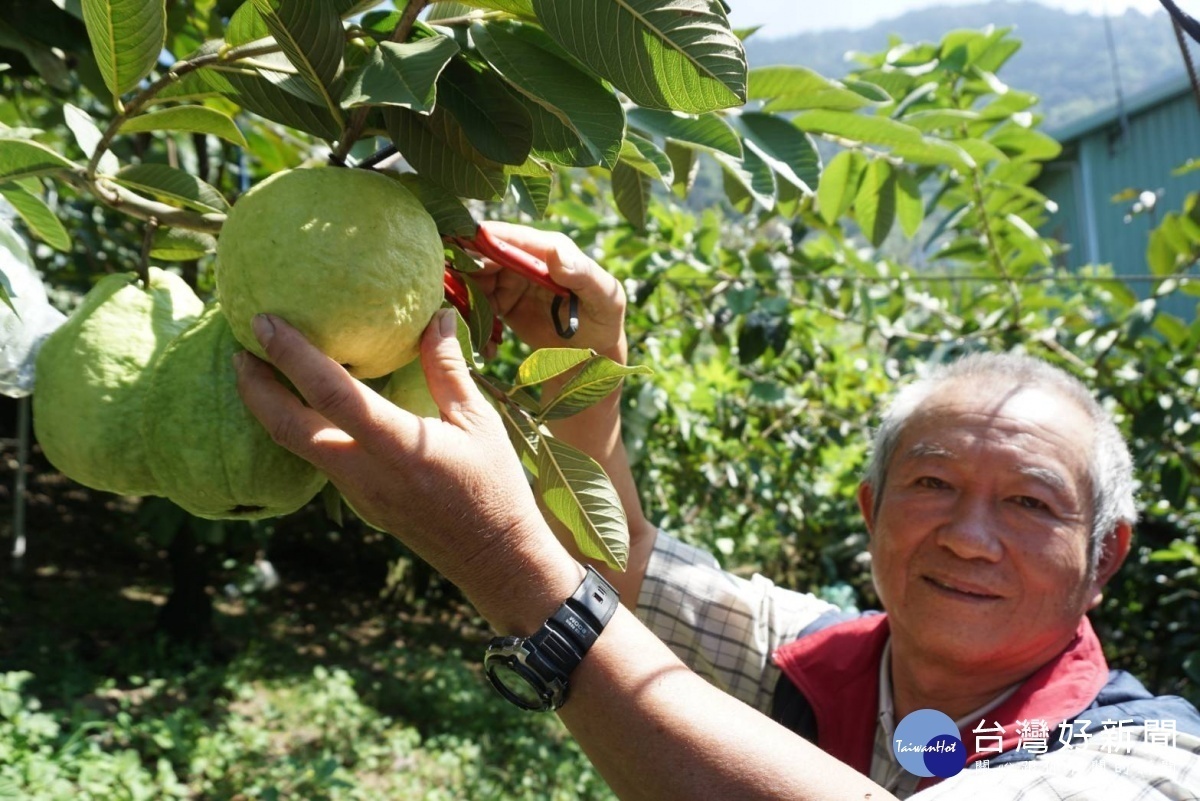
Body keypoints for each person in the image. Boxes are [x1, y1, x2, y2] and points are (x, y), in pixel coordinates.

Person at [235, 222, 1200, 800]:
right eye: (932, 483)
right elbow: (617, 575)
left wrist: (495, 548)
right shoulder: (811, 653)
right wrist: (585, 376)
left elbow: (562, 588)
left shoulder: (1152, 758)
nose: (966, 534)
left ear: (1104, 556)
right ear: (869, 510)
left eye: (1030, 502)